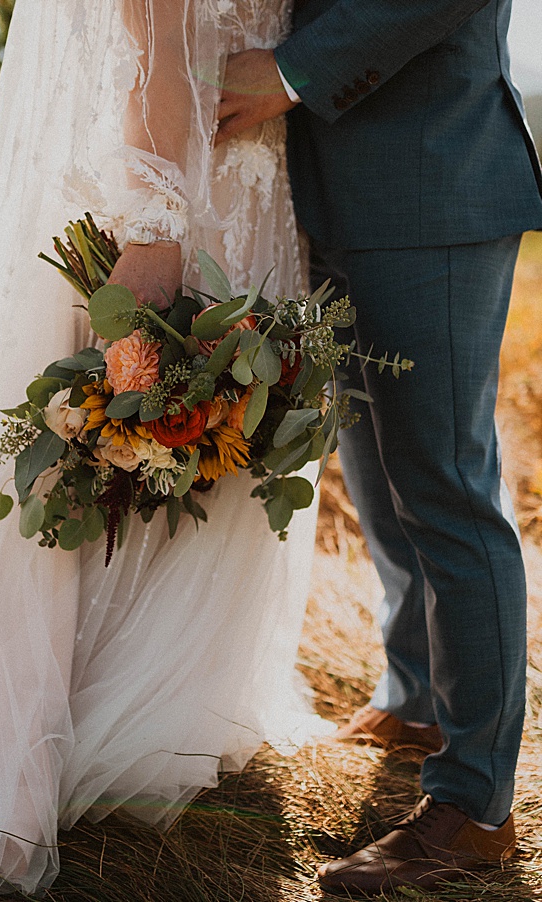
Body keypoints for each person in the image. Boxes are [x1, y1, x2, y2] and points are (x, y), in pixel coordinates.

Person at [0, 2, 330, 894]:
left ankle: (147, 729)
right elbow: (156, 32)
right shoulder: (159, 213)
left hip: (235, 180)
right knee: (128, 440)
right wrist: (154, 225)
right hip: (171, 184)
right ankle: (59, 740)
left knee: (207, 453)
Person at [218, 1, 542, 893]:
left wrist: (292, 71)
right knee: (380, 472)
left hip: (429, 179)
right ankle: (417, 699)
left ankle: (476, 810)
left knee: (445, 488)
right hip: (331, 189)